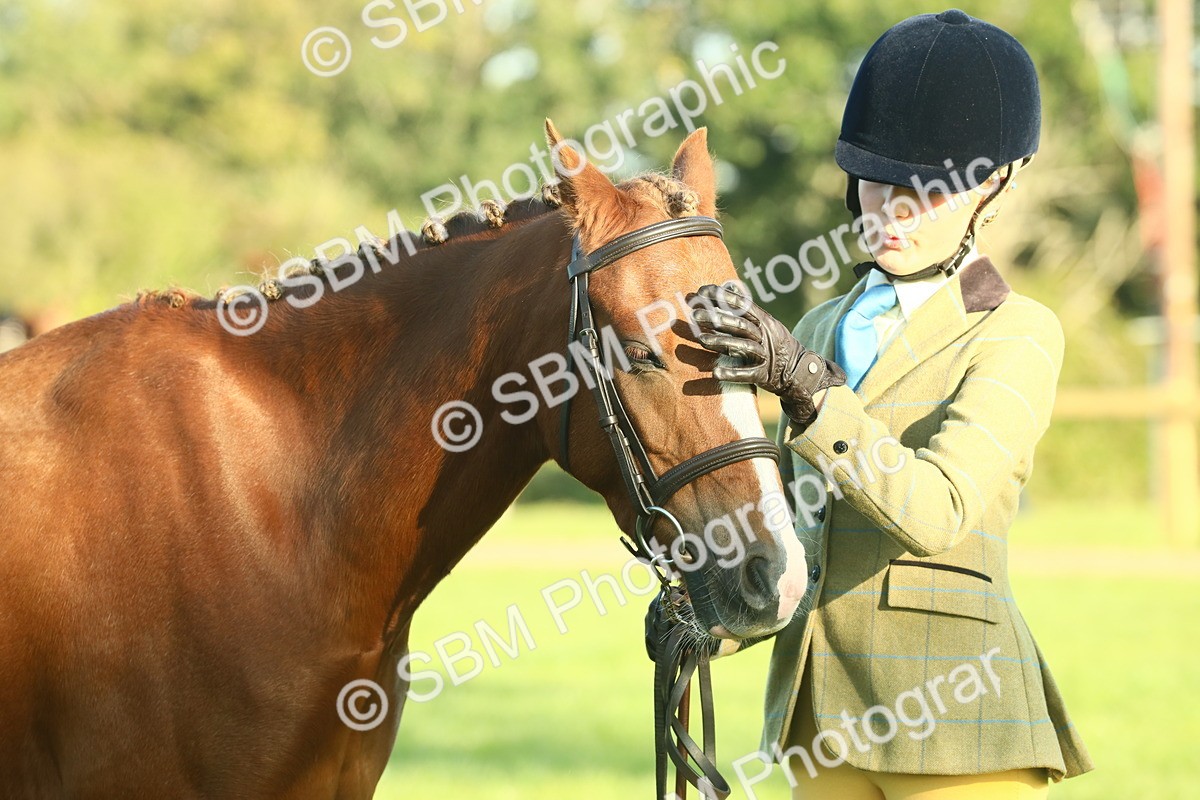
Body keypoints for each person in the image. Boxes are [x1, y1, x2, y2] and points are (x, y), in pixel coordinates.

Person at [680, 9, 1094, 799]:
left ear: (993, 187)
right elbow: (800, 535)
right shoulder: (816, 328)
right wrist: (714, 616)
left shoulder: (1017, 332)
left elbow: (938, 511)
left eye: (929, 191)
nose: (895, 210)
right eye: (880, 180)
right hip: (818, 722)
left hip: (957, 724)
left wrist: (812, 391)